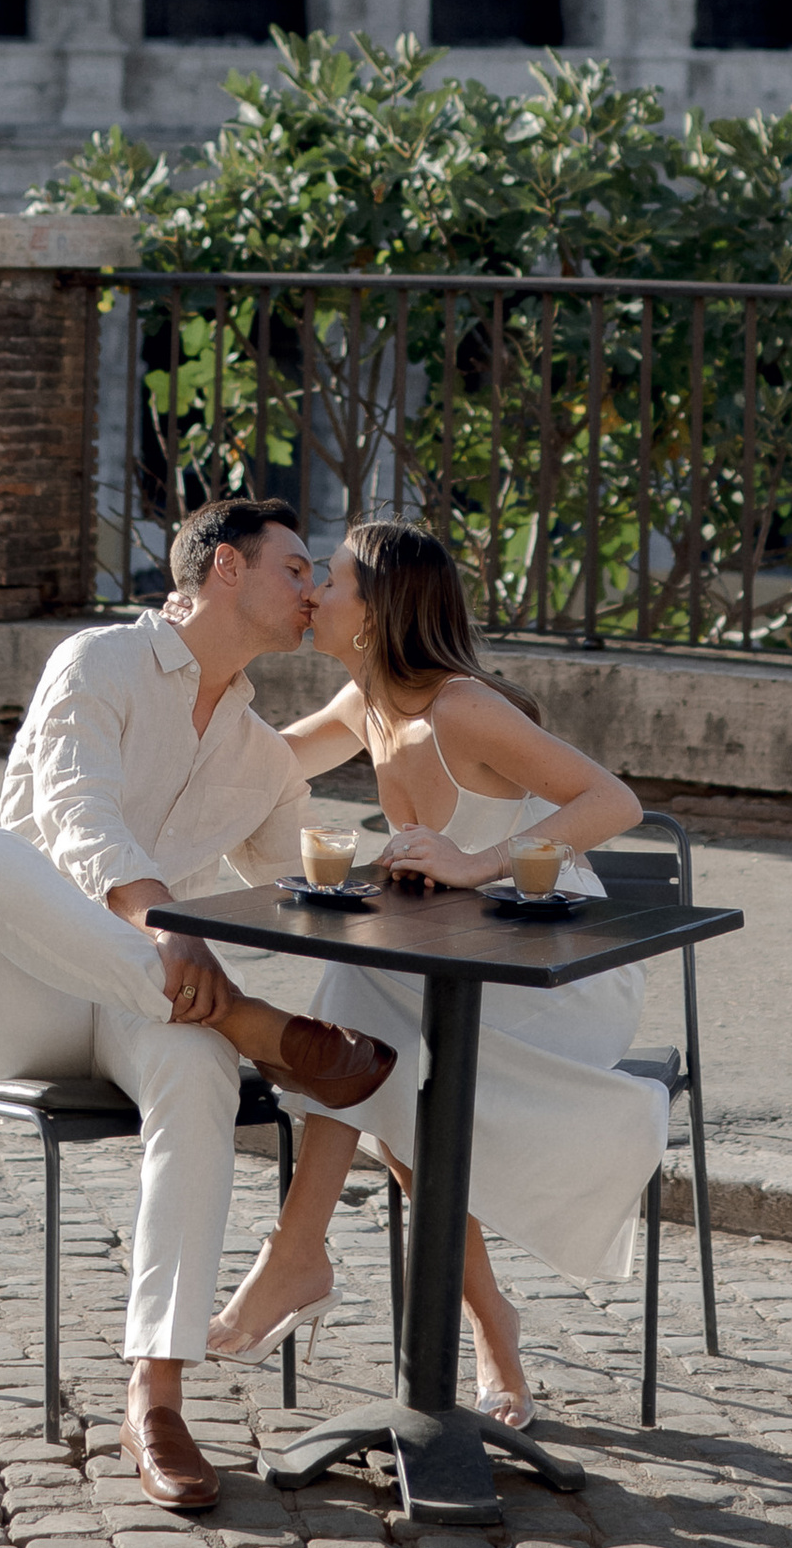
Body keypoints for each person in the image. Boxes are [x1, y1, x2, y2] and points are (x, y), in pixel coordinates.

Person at [0, 495, 398, 1516]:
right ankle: (250, 1031)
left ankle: (156, 1393)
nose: (314, 590)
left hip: (157, 1004)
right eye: (295, 570)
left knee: (195, 1070)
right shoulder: (98, 663)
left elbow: (293, 900)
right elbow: (75, 812)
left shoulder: (260, 757)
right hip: (30, 985)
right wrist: (161, 924)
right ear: (225, 569)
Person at [206, 516, 658, 1429]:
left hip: (555, 977)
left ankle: (300, 1255)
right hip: (450, 974)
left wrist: (474, 862)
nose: (310, 594)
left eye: (327, 580)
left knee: (363, 1033)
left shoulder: (460, 708)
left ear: (374, 612)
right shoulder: (364, 707)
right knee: (388, 1068)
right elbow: (254, 766)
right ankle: (487, 1327)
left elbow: (615, 800)